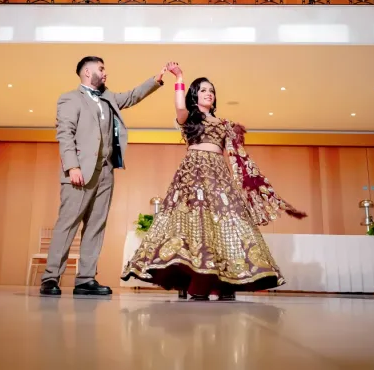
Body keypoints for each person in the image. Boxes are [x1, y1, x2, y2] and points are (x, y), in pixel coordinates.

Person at [121, 64, 307, 300]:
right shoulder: (188, 117)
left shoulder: (225, 124)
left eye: (212, 90)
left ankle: (222, 280)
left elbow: (237, 157)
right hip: (193, 173)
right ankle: (198, 279)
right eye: (203, 90)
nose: (209, 93)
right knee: (196, 223)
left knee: (224, 223)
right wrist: (179, 78)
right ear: (194, 95)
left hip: (218, 174)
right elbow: (179, 105)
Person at [40, 56, 168, 297]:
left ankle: (86, 279)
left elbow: (131, 96)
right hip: (78, 172)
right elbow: (65, 134)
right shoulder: (69, 98)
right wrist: (72, 167)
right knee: (67, 225)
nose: (105, 73)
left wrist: (156, 80)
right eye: (101, 69)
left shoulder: (108, 98)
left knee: (96, 227)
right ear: (87, 72)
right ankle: (50, 277)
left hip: (106, 172)